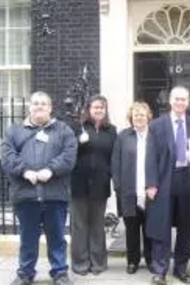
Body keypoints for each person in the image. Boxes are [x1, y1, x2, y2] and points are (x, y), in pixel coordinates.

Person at [1, 91, 77, 285]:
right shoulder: (13, 131)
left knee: (57, 237)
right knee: (28, 238)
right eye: (36, 103)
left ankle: (59, 272)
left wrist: (51, 170)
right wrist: (25, 171)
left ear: (50, 108)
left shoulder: (63, 130)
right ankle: (25, 273)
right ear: (29, 107)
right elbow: (7, 157)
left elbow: (69, 156)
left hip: (55, 194)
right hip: (26, 194)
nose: (40, 106)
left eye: (44, 103)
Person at [146, 86, 190, 285]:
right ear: (170, 101)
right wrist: (151, 183)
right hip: (164, 180)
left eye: (184, 99)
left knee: (185, 227)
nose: (180, 102)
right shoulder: (156, 125)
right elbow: (150, 157)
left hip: (188, 179)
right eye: (177, 99)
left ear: (188, 102)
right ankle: (160, 270)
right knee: (161, 226)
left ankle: (181, 269)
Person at [70, 95, 116, 276]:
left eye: (102, 108)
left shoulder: (111, 131)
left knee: (97, 225)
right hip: (79, 183)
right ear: (88, 109)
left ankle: (98, 263)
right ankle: (80, 263)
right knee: (80, 226)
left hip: (100, 184)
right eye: (95, 107)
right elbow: (65, 152)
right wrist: (77, 142)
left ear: (105, 111)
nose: (98, 110)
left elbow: (114, 158)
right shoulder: (77, 128)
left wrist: (111, 176)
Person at [111, 102, 153, 275]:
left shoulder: (155, 135)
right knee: (131, 229)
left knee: (150, 228)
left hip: (150, 191)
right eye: (136, 115)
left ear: (148, 116)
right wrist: (118, 187)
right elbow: (115, 162)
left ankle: (151, 259)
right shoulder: (123, 136)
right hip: (129, 191)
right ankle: (132, 261)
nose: (139, 117)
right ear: (131, 118)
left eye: (142, 114)